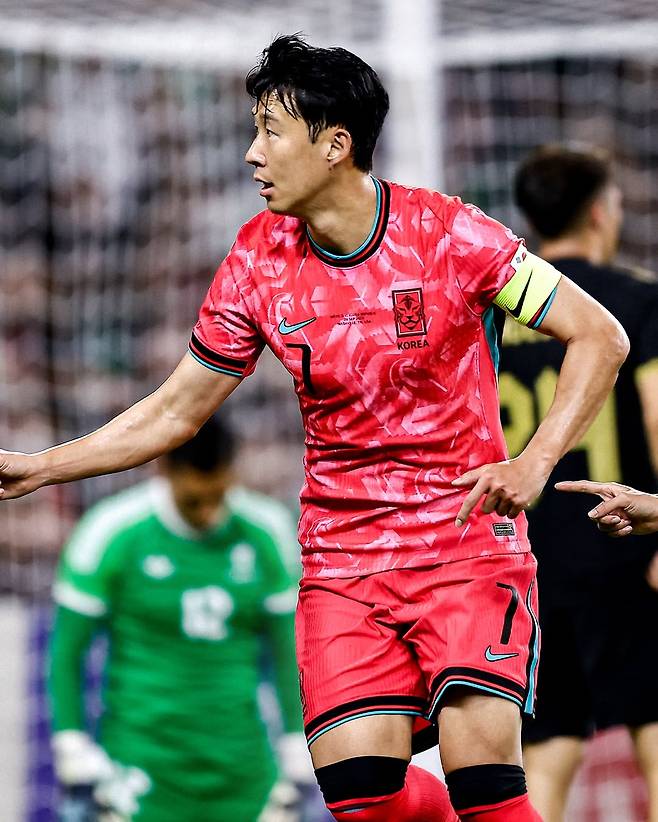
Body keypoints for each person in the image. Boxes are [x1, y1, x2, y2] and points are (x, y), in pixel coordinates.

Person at [0, 35, 629, 822]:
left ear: (334, 145)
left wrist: (535, 462)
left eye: (269, 129)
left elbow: (600, 335)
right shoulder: (256, 261)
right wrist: (44, 466)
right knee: (362, 797)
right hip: (344, 558)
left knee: (485, 779)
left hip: (464, 541)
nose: (251, 151)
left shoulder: (450, 234)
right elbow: (177, 409)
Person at [497, 144, 658, 822]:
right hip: (626, 551)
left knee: (546, 753)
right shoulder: (635, 301)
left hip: (530, 564)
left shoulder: (500, 314)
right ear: (600, 212)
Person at [49, 415, 313, 822]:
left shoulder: (268, 532)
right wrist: (71, 742)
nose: (208, 511)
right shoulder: (111, 531)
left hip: (245, 771)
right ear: (163, 470)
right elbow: (67, 651)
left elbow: (289, 652)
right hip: (140, 767)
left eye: (218, 496)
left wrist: (298, 743)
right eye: (194, 501)